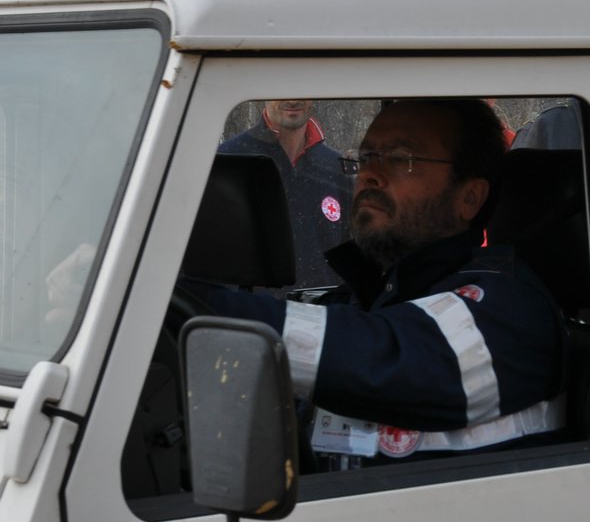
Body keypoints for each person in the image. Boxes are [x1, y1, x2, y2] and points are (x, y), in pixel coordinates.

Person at [193, 98, 567, 463]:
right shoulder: (368, 294)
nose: (370, 174)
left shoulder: (510, 307)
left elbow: (385, 358)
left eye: (402, 159)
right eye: (367, 157)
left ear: (469, 196)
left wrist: (191, 312)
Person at [218, 99, 352, 287]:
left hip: (320, 311)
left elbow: (349, 255)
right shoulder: (229, 160)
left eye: (301, 88)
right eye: (283, 89)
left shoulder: (336, 166)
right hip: (252, 313)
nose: (292, 99)